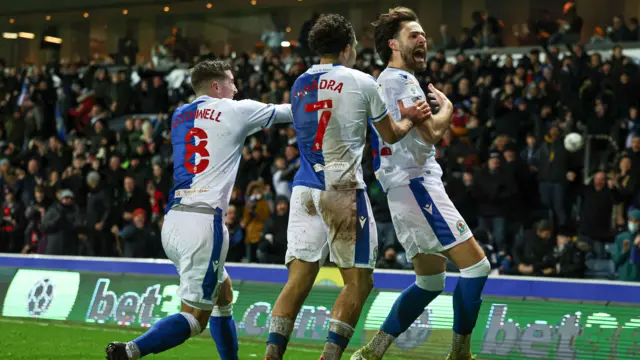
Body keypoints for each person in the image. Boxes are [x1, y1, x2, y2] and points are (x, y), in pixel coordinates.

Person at [264, 13, 429, 360]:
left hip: (304, 189)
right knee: (359, 282)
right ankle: (330, 356)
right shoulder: (361, 81)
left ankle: (272, 354)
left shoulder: (298, 84)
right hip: (342, 188)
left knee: (298, 280)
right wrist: (412, 117)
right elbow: (391, 134)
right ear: (346, 48)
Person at [106, 59, 293, 360]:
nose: (236, 88)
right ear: (217, 86)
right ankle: (130, 351)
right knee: (195, 318)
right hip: (204, 224)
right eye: (232, 82)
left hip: (174, 222)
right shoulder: (235, 109)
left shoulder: (180, 115)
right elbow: (291, 112)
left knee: (224, 292)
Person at [352, 8, 490, 360]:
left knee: (430, 281)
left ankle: (372, 351)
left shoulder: (392, 80)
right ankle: (459, 354)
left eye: (423, 34)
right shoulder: (398, 80)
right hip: (416, 184)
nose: (422, 39)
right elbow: (431, 134)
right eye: (414, 34)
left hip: (403, 185)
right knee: (477, 267)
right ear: (393, 44)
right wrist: (448, 107)